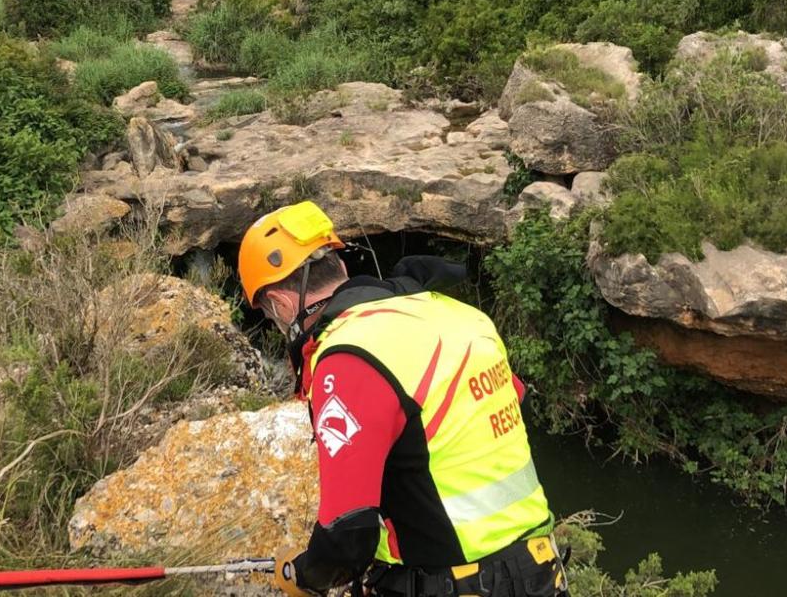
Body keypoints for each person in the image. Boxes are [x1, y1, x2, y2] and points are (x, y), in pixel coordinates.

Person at [238, 201, 568, 597]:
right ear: (340, 268)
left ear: (281, 304)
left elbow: (347, 533)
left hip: (451, 583)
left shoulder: (348, 357)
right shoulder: (461, 316)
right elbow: (514, 409)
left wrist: (308, 575)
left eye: (270, 315)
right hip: (540, 571)